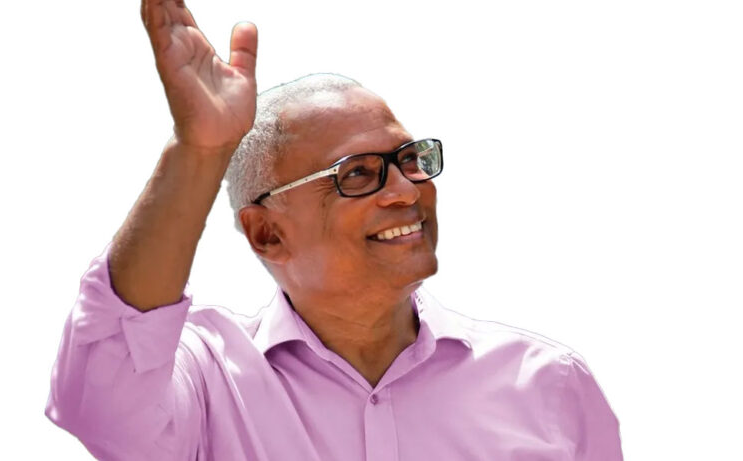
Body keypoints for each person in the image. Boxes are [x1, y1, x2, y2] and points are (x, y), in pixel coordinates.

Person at [45, 0, 623, 459]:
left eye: (411, 159)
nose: (406, 191)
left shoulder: (548, 386)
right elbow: (98, 397)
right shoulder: (208, 381)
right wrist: (199, 152)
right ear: (267, 234)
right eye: (359, 174)